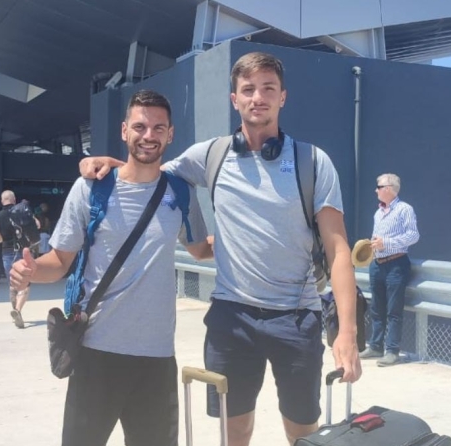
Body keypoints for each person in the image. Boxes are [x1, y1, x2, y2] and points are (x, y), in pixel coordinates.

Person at [80, 52, 361, 446]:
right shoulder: (211, 156)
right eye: (248, 89)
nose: (257, 97)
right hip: (231, 318)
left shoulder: (313, 162)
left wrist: (346, 332)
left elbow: (339, 250)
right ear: (234, 99)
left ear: (283, 97)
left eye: (268, 88)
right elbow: (147, 169)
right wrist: (107, 162)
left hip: (297, 318)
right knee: (234, 430)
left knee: (302, 431)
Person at [10, 89, 211, 446]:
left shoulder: (180, 193)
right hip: (95, 353)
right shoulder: (91, 189)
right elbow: (59, 261)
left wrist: (248, 234)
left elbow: (199, 249)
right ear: (124, 130)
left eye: (158, 128)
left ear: (170, 134)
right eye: (140, 126)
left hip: (156, 358)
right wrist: (31, 271)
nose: (148, 135)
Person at [359, 173, 419, 367]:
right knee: (377, 308)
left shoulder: (404, 209)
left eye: (379, 187)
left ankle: (392, 350)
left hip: (396, 263)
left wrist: (386, 243)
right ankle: (375, 346)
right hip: (377, 264)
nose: (375, 190)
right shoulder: (378, 213)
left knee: (394, 310)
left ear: (389, 188)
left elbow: (413, 235)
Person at [0, 190, 30, 328]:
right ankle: (17, 310)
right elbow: (36, 225)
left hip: (6, 252)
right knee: (25, 284)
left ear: (2, 200)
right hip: (21, 251)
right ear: (14, 200)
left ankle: (15, 310)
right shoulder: (20, 213)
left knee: (13, 283)